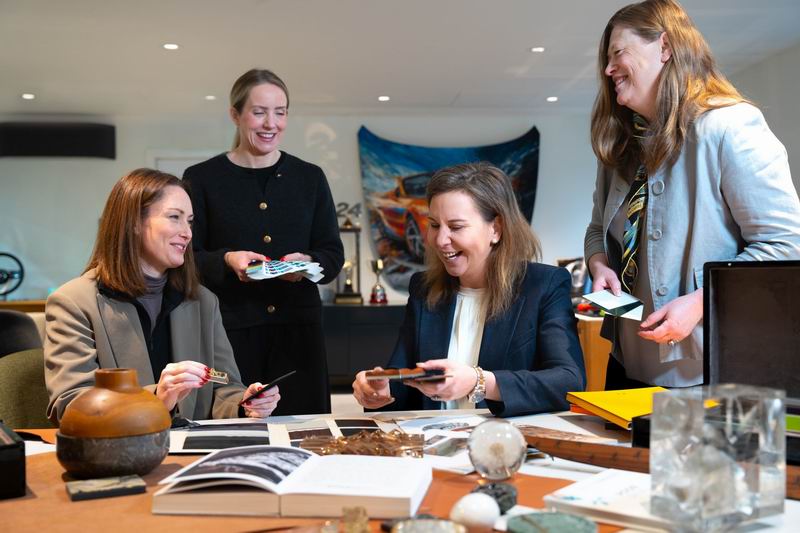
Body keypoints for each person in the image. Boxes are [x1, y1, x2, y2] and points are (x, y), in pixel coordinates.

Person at [585, 0, 800, 389]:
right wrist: (599, 265)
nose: (608, 69)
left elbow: (785, 246)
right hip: (625, 363)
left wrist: (702, 302)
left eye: (618, 53)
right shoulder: (621, 148)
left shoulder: (730, 126)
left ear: (665, 47)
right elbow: (597, 229)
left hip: (707, 372)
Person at [45, 169, 279, 425]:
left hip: (193, 447)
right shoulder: (73, 302)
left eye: (190, 221)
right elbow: (70, 406)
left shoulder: (204, 301)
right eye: (174, 217)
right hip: (123, 447)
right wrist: (156, 398)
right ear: (133, 222)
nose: (188, 233)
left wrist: (244, 402)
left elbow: (221, 384)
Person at [352, 162, 586, 417]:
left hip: (507, 440)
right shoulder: (423, 288)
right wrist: (380, 390)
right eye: (434, 225)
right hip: (434, 440)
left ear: (496, 229)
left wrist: (480, 382)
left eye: (456, 227)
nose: (440, 240)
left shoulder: (544, 285)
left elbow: (569, 382)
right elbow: (404, 383)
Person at [183, 69, 343, 416]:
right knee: (236, 426)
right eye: (259, 112)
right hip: (230, 334)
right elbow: (187, 257)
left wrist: (307, 262)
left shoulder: (310, 177)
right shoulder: (202, 179)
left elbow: (332, 254)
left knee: (306, 431)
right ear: (235, 114)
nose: (271, 123)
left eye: (280, 112)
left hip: (299, 337)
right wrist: (227, 260)